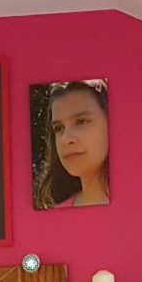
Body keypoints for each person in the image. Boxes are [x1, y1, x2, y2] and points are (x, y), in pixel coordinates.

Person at [34, 81, 109, 209]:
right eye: (58, 128)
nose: (65, 139)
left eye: (81, 121)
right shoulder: (56, 215)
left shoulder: (140, 204)